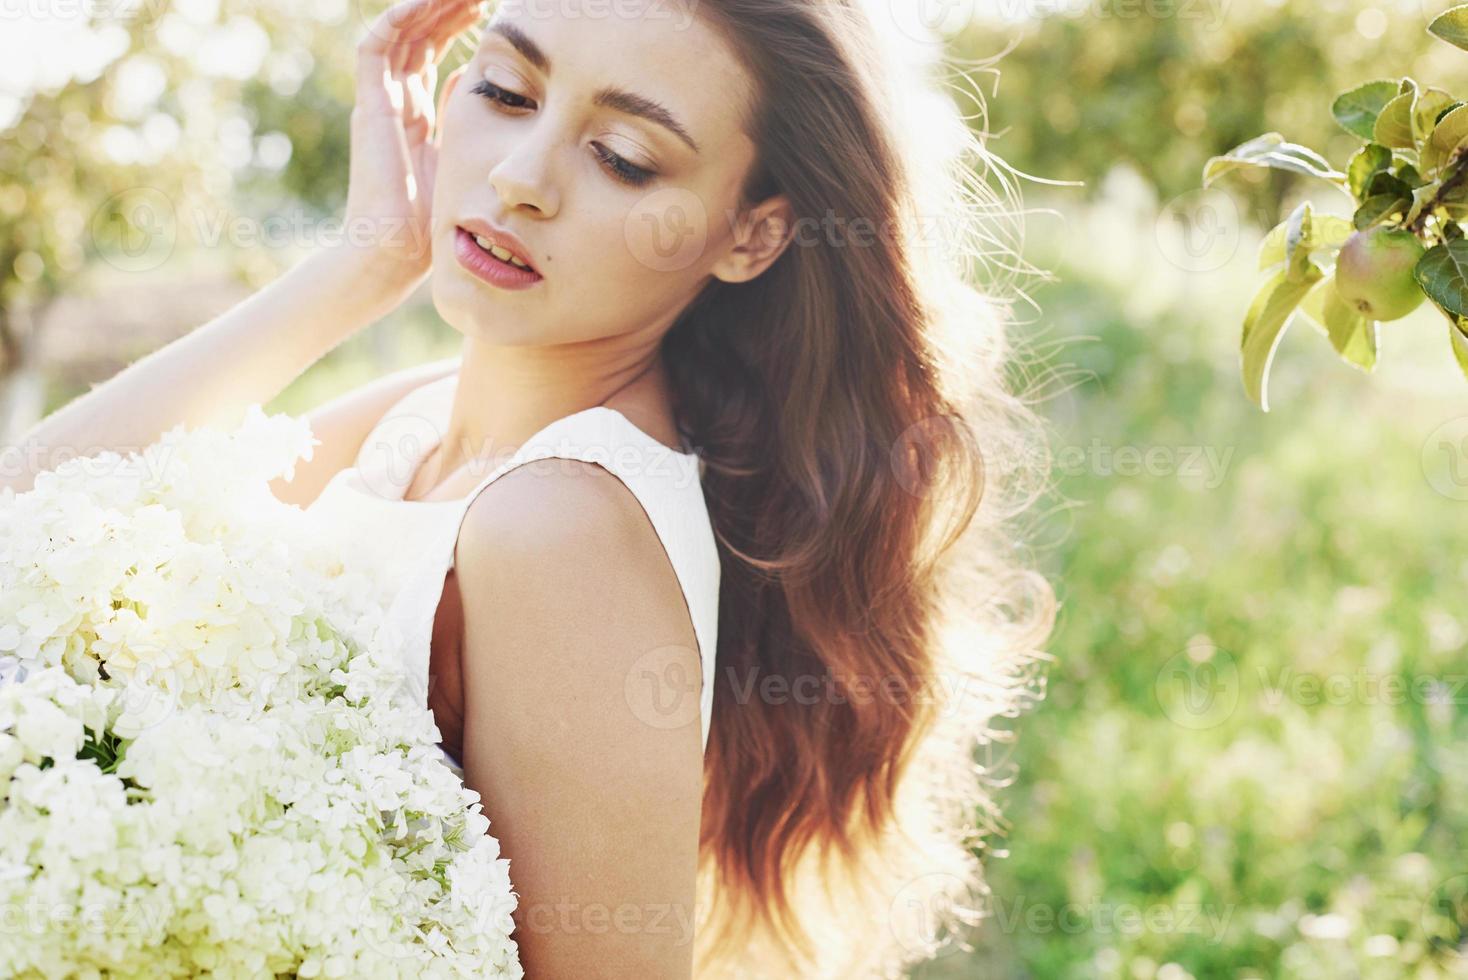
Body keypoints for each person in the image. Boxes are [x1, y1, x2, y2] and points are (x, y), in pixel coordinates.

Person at [4, 0, 1056, 976]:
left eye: (623, 157)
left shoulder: (560, 527)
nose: (521, 175)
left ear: (752, 234)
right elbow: (34, 522)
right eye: (504, 90)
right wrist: (364, 264)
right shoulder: (429, 420)